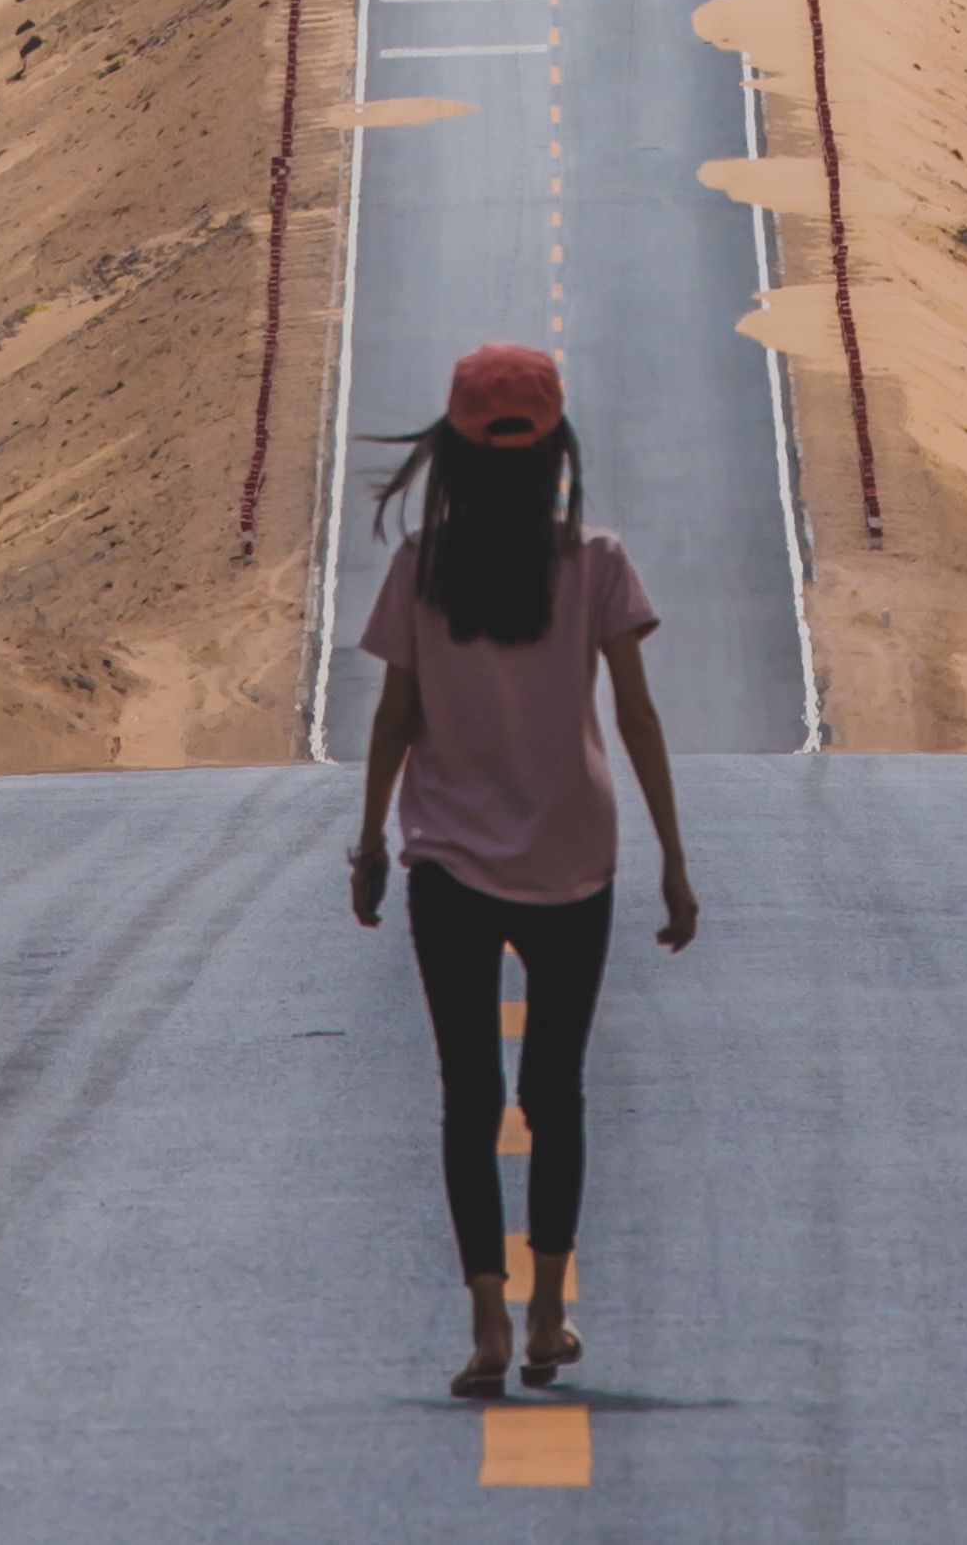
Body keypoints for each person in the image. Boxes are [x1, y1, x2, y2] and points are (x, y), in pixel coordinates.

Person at [349, 341, 698, 1399]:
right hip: (571, 859)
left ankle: (489, 1326)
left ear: (451, 449)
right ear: (556, 448)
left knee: (469, 1093)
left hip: (447, 861)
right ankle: (551, 1310)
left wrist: (369, 840)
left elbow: (396, 715)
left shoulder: (418, 565)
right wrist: (675, 857)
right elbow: (635, 715)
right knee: (555, 1090)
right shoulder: (594, 562)